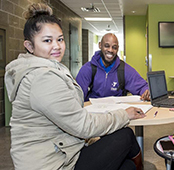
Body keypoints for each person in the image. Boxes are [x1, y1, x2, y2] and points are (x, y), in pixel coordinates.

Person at [5, 3, 145, 170]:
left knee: (127, 166)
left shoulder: (52, 68)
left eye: (60, 39)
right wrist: (124, 115)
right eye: (47, 40)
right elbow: (82, 125)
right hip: (53, 163)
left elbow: (140, 85)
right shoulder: (42, 77)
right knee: (126, 135)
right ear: (29, 46)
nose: (56, 46)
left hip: (64, 149)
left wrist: (146, 91)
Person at [76, 33, 150, 101]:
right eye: (107, 46)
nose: (110, 50)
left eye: (114, 47)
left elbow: (142, 87)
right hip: (93, 111)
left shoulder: (124, 69)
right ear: (100, 45)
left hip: (117, 111)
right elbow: (77, 96)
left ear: (117, 48)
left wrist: (146, 92)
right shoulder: (88, 69)